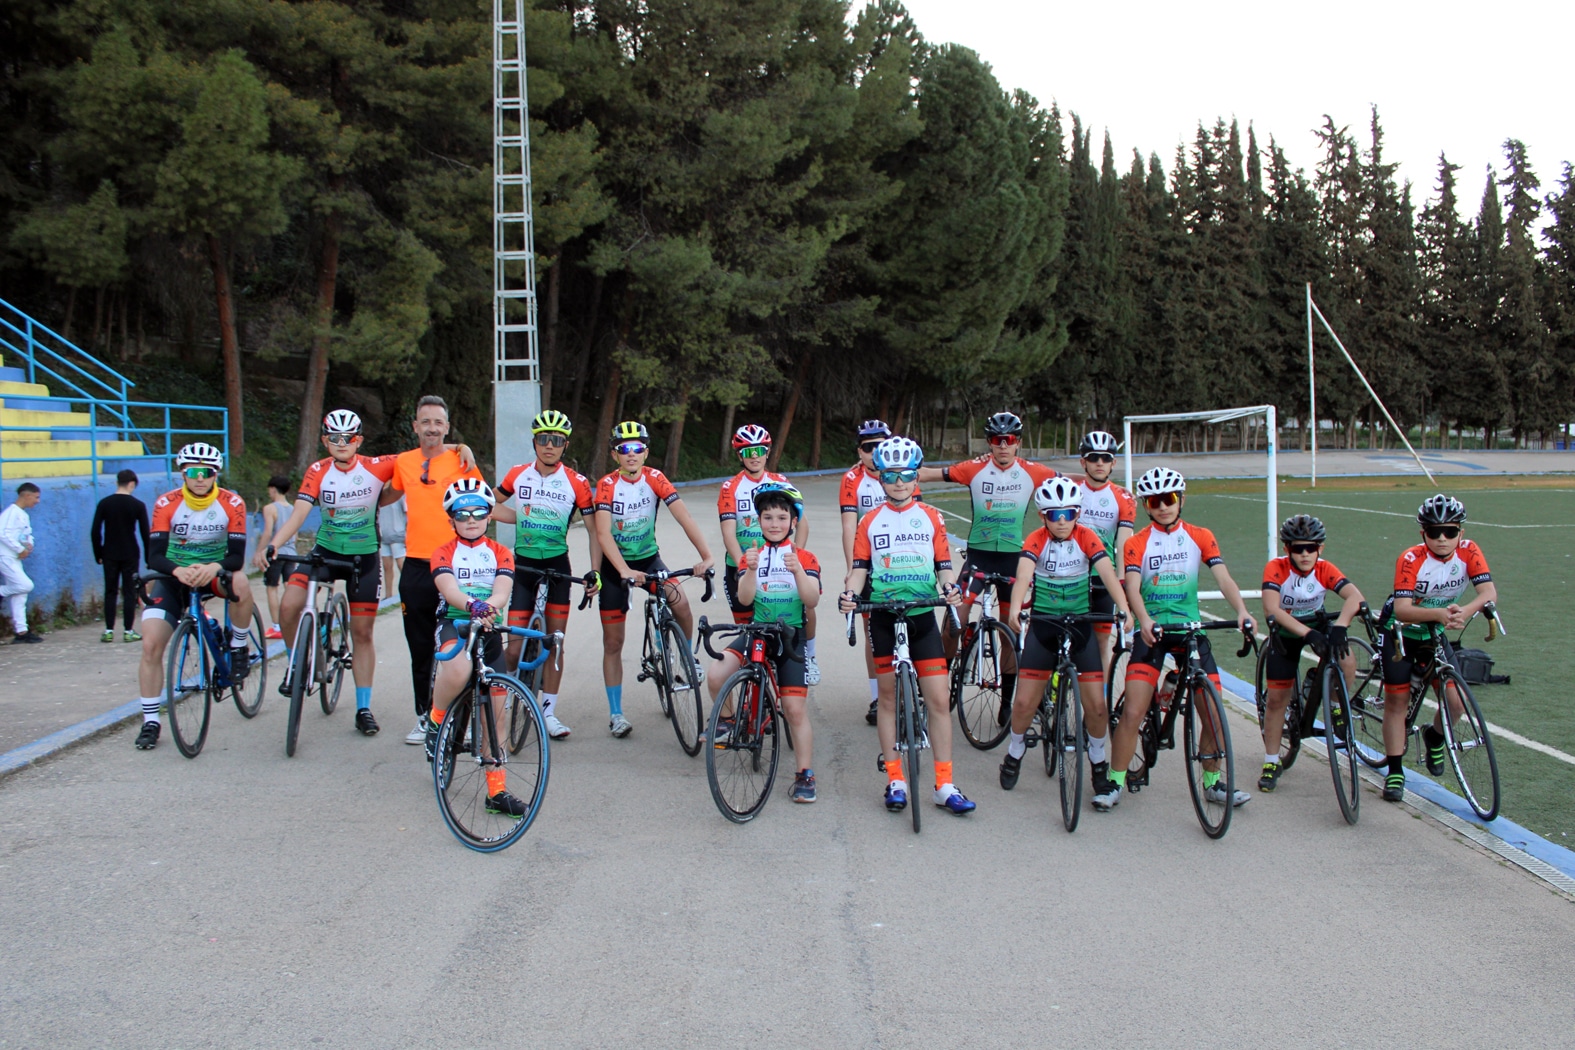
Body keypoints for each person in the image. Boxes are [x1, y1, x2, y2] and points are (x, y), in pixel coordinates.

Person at [1098, 467, 1253, 811]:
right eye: (1155, 501)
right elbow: (1133, 588)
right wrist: (1145, 620)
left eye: (1169, 499)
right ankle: (1115, 781)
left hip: (1189, 630)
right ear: (1147, 506)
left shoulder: (1200, 536)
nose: (1163, 507)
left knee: (1212, 712)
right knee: (1134, 711)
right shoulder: (1137, 543)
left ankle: (1212, 782)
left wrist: (1242, 610)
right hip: (1154, 631)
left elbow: (1224, 578)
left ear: (1181, 500)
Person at [839, 436, 975, 816]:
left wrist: (949, 586)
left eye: (908, 475)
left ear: (917, 476)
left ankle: (944, 785)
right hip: (883, 615)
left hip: (922, 616)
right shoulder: (870, 520)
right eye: (892, 475)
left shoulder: (932, 517)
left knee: (937, 701)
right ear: (880, 477)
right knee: (886, 699)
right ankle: (895, 779)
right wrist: (849, 594)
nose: (900, 483)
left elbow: (943, 565)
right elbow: (859, 571)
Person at [258, 411, 396, 736]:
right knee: (289, 606)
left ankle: (363, 707)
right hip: (326, 553)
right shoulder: (317, 470)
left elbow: (422, 458)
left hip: (364, 557)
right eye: (334, 437)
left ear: (359, 440)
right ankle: (297, 664)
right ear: (325, 440)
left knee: (361, 633)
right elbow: (298, 514)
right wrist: (275, 544)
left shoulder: (376, 466)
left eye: (348, 438)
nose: (341, 443)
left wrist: (456, 446)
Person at [1001, 477, 1132, 803]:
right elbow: (1024, 575)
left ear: (1077, 514)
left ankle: (1098, 764)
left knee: (1098, 708)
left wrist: (1125, 609)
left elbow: (1106, 571)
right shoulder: (1036, 539)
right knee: (1023, 704)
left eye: (1069, 514)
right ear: (1043, 517)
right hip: (1044, 626)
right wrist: (1016, 607)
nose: (1062, 521)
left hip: (1080, 626)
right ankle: (1015, 750)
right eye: (1054, 515)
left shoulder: (1087, 537)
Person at [593, 420, 714, 738]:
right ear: (615, 454)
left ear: (646, 452)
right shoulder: (606, 485)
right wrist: (622, 570)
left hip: (648, 559)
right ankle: (616, 713)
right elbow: (603, 533)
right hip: (615, 567)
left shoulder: (655, 478)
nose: (631, 454)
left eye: (637, 448)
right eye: (623, 449)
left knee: (681, 603)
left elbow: (683, 516)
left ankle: (685, 657)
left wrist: (706, 556)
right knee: (613, 642)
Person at [1374, 494, 1497, 803]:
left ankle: (1434, 735)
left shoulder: (1469, 552)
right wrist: (1440, 614)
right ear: (1423, 534)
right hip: (1402, 633)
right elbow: (1402, 609)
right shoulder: (1411, 559)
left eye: (1450, 531)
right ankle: (1395, 770)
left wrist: (1465, 612)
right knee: (1397, 703)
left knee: (1455, 704)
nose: (1442, 538)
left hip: (1435, 632)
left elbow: (1488, 591)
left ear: (1461, 533)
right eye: (1434, 531)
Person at [134, 444, 257, 750]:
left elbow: (237, 557)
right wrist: (178, 571)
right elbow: (154, 555)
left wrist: (213, 566)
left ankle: (238, 646)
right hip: (175, 576)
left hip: (214, 573)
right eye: (193, 472)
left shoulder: (232, 502)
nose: (200, 478)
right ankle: (150, 721)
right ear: (183, 473)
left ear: (216, 474)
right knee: (150, 644)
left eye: (208, 473)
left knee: (240, 582)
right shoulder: (167, 503)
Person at [705, 483, 822, 802]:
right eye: (767, 517)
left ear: (793, 522)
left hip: (790, 636)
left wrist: (798, 572)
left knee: (795, 710)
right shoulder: (751, 555)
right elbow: (744, 600)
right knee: (716, 676)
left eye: (781, 518)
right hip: (757, 631)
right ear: (759, 521)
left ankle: (804, 775)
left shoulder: (805, 557)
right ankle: (729, 719)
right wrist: (751, 570)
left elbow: (812, 600)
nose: (774, 523)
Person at [491, 409, 600, 739]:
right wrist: (519, 518)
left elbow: (595, 532)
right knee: (512, 648)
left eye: (556, 441)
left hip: (557, 569)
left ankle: (548, 712)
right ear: (534, 442)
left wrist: (594, 572)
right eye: (543, 439)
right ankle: (507, 697)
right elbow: (487, 505)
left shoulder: (577, 483)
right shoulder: (517, 475)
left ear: (565, 445)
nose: (549, 446)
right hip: (522, 567)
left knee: (555, 643)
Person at [381, 396, 484, 745]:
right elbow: (385, 495)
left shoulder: (461, 459)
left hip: (458, 564)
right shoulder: (403, 463)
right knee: (421, 646)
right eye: (425, 422)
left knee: (466, 644)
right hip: (416, 565)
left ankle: (466, 721)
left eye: (438, 422)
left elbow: (484, 503)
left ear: (447, 427)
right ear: (415, 426)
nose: (432, 428)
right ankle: (425, 716)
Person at [424, 479, 527, 815]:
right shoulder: (443, 552)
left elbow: (502, 590)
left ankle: (496, 792)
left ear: (489, 516)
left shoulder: (501, 553)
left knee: (497, 717)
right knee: (458, 667)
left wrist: (490, 607)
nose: (471, 519)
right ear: (451, 518)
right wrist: (472, 605)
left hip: (489, 629)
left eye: (479, 512)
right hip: (455, 624)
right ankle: (436, 719)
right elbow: (448, 589)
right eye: (462, 513)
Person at [1257, 514, 1365, 793]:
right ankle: (1271, 761)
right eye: (1297, 548)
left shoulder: (1325, 569)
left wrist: (1341, 626)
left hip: (1319, 622)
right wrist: (1307, 634)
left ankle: (1336, 705)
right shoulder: (1276, 569)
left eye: (1311, 548)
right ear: (1287, 549)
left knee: (1346, 658)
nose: (1305, 554)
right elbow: (1272, 610)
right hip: (1288, 631)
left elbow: (1356, 597)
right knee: (1277, 699)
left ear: (1320, 549)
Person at [717, 424, 817, 682]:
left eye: (759, 450)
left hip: (782, 562)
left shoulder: (781, 482)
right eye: (747, 451)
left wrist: (798, 556)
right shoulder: (731, 486)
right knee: (747, 628)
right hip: (745, 564)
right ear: (740, 455)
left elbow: (802, 521)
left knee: (803, 607)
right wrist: (745, 564)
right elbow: (729, 532)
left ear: (767, 452)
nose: (754, 455)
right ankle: (752, 684)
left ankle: (809, 656)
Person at [839, 419, 924, 724]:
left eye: (879, 444)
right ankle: (878, 695)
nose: (874, 451)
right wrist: (852, 570)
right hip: (870, 567)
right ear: (859, 451)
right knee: (872, 634)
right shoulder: (852, 479)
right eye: (867, 447)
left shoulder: (905, 473)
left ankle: (914, 682)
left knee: (915, 623)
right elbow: (849, 526)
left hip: (907, 565)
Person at [1072, 431, 1135, 673]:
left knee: (1101, 644)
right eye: (1094, 457)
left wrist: (1121, 583)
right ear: (1083, 462)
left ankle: (1099, 707)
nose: (1100, 462)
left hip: (1102, 578)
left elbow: (1124, 544)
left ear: (1113, 463)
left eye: (1106, 458)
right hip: (1071, 575)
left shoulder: (1123, 498)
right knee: (1067, 635)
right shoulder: (1071, 490)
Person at [92, 470, 151, 642]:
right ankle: (128, 630)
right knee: (129, 592)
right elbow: (145, 533)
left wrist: (98, 552)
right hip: (130, 552)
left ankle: (109, 630)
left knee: (110, 591)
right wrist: (148, 557)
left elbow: (95, 531)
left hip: (109, 552)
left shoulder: (104, 503)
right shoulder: (138, 505)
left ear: (118, 482)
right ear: (132, 484)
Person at [255, 475, 296, 640]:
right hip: (291, 552)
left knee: (272, 588)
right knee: (289, 587)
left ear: (273, 489)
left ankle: (276, 626)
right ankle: (293, 621)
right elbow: (296, 534)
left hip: (275, 552)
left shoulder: (270, 508)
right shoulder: (293, 509)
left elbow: (267, 533)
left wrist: (259, 551)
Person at [0, 482, 41, 643]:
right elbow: (2, 533)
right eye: (36, 497)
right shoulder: (11, 512)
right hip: (5, 556)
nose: (37, 501)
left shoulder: (22, 514)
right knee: (26, 585)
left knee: (20, 594)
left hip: (14, 557)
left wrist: (28, 544)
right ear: (26, 495)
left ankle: (21, 631)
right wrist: (19, 549)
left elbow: (25, 534)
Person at [378, 496, 407, 600]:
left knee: (401, 565)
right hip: (383, 535)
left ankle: (407, 591)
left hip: (397, 535)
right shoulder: (380, 495)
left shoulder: (400, 496)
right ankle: (388, 595)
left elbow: (407, 513)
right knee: (386, 566)